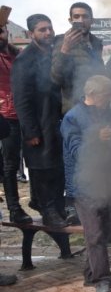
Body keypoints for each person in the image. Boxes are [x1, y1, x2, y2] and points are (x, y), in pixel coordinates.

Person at [61, 75, 111, 292]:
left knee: (102, 231)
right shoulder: (72, 118)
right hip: (84, 185)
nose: (110, 99)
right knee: (94, 233)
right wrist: (96, 137)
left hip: (105, 182)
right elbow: (77, 151)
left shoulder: (108, 113)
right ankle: (102, 280)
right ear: (93, 95)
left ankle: (89, 272)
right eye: (106, 96)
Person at [11, 14, 68, 228]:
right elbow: (21, 99)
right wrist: (31, 131)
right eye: (42, 30)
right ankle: (47, 209)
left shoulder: (55, 55)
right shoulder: (24, 60)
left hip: (56, 122)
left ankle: (57, 207)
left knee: (57, 168)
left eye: (49, 28)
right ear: (31, 33)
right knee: (41, 168)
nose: (47, 33)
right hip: (38, 124)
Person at [0, 22, 32, 223]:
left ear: (7, 32)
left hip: (26, 114)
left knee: (32, 161)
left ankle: (38, 200)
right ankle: (13, 208)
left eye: (0, 32)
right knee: (10, 165)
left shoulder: (18, 55)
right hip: (5, 117)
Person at [51, 2, 105, 114]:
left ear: (92, 20)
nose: (81, 20)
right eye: (76, 17)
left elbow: (100, 70)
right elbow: (56, 79)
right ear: (70, 21)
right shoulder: (61, 41)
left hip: (97, 106)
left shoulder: (96, 42)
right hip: (75, 108)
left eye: (85, 16)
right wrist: (65, 49)